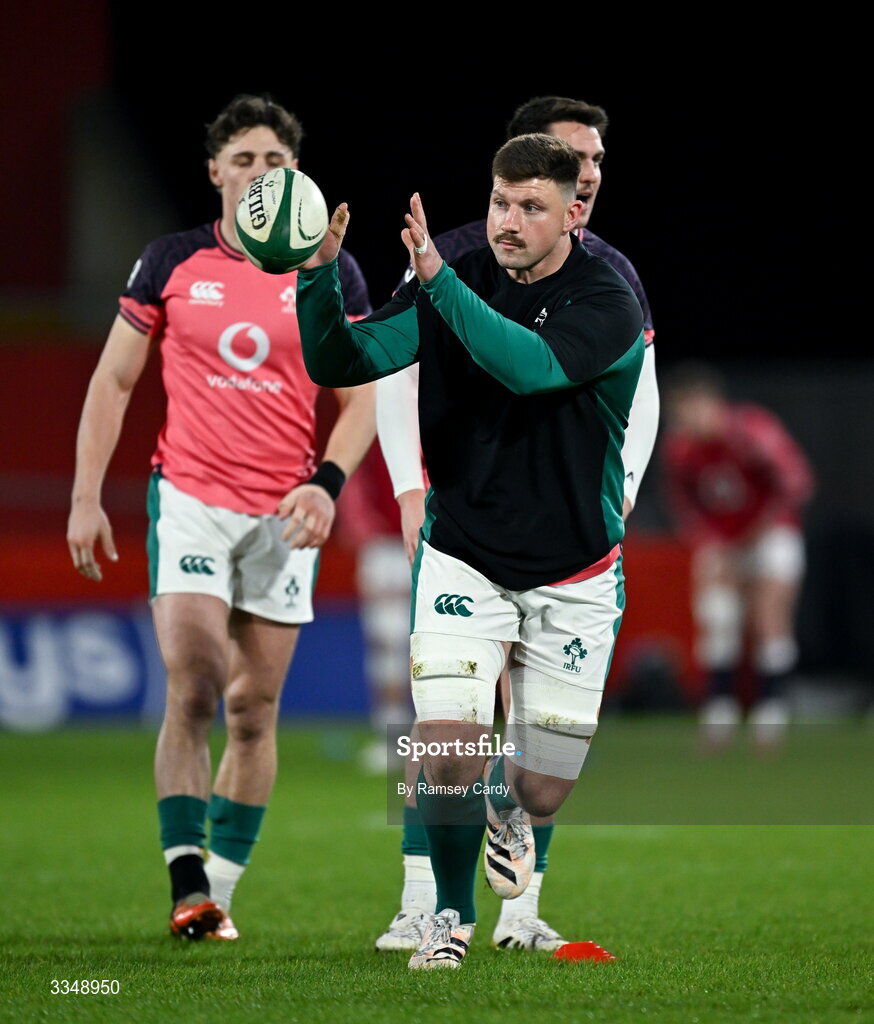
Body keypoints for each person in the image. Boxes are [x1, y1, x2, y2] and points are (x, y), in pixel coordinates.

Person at [296, 132, 645, 968]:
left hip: (577, 570)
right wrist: (315, 278)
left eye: (532, 207)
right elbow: (346, 355)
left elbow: (528, 366)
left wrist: (439, 286)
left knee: (542, 787)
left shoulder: (608, 298)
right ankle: (449, 921)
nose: (510, 220)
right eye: (500, 201)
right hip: (464, 556)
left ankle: (509, 802)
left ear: (572, 215)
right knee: (445, 745)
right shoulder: (449, 279)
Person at [66, 94, 375, 940]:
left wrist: (327, 483)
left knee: (254, 709)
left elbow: (362, 401)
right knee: (196, 683)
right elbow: (115, 382)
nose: (259, 174)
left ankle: (220, 895)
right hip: (192, 497)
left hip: (285, 513)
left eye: (276, 161)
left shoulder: (328, 271)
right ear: (215, 172)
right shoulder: (171, 261)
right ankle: (186, 879)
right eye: (243, 160)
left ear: (296, 172)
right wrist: (87, 493)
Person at [661, 362, 814, 751]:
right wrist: (712, 544)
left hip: (770, 534)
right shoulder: (681, 449)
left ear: (711, 402)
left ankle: (771, 716)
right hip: (723, 541)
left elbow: (796, 483)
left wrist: (749, 539)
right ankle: (719, 714)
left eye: (690, 410)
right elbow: (684, 506)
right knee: (717, 616)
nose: (686, 420)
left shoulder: (752, 430)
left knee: (769, 618)